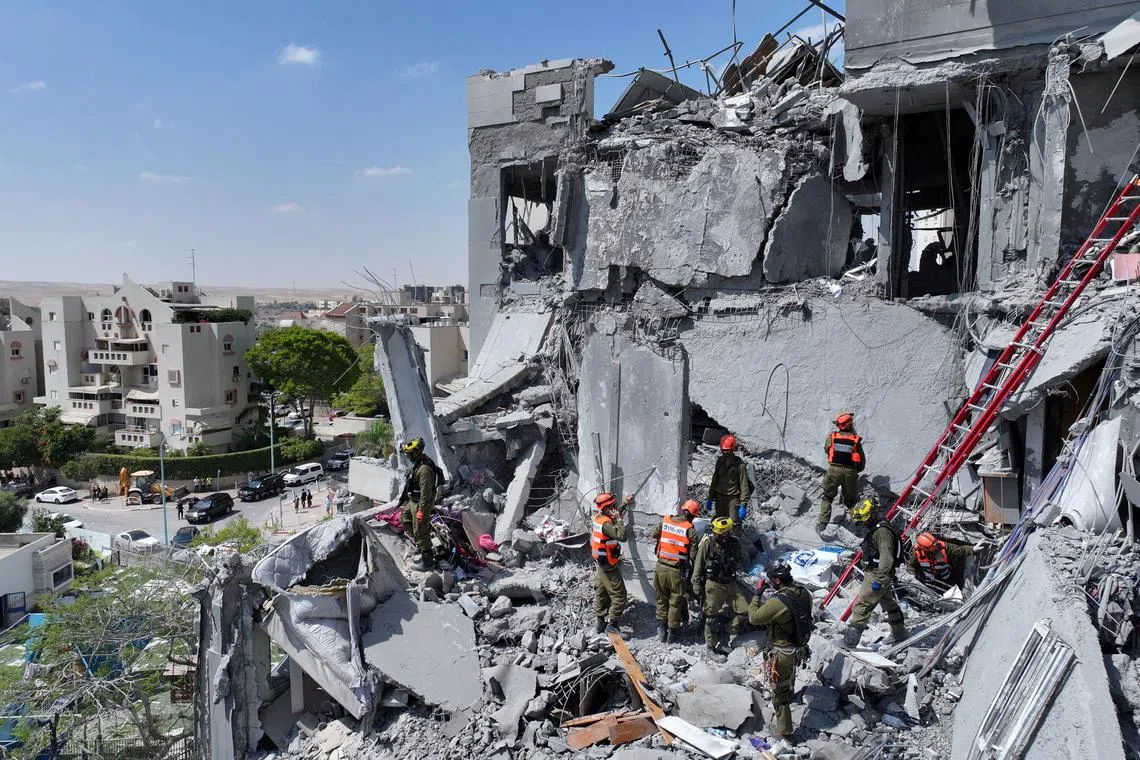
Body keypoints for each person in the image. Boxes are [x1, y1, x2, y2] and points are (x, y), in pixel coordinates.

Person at [748, 561, 814, 743]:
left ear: (777, 579)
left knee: (780, 693)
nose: (769, 581)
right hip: (798, 649)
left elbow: (754, 617)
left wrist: (757, 594)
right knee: (787, 683)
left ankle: (785, 732)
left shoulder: (778, 602)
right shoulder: (804, 593)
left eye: (770, 579)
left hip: (783, 652)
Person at [844, 499, 907, 647]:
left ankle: (849, 643)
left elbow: (886, 558)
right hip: (876, 571)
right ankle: (899, 633)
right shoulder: (878, 529)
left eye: (865, 520)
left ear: (872, 514)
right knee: (888, 603)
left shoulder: (882, 532)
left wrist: (879, 579)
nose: (864, 524)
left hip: (877, 573)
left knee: (863, 603)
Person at [692, 516, 749, 656]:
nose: (718, 534)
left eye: (721, 532)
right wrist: (696, 584)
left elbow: (738, 559)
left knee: (745, 612)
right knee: (711, 618)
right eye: (717, 532)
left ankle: (726, 632)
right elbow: (698, 564)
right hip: (714, 584)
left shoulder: (734, 542)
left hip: (731, 583)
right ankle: (710, 648)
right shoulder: (708, 543)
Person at [651, 499, 700, 642]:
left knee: (661, 598)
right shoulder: (690, 530)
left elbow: (654, 534)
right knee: (675, 601)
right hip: (676, 571)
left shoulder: (666, 521)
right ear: (692, 516)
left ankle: (661, 629)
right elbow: (694, 556)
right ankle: (672, 634)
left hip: (660, 567)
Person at [398, 437, 444, 570]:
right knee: (405, 519)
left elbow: (426, 493)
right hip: (414, 500)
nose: (408, 456)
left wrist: (421, 510)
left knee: (421, 530)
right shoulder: (418, 463)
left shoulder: (424, 469)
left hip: (422, 502)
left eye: (409, 454)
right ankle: (419, 545)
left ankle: (427, 563)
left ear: (416, 452)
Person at [818, 412, 866, 534]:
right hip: (850, 472)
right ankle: (858, 524)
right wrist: (854, 471)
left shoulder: (832, 437)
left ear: (839, 426)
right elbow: (862, 461)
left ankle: (822, 524)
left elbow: (827, 449)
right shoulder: (855, 440)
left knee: (827, 497)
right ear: (850, 425)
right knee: (851, 500)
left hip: (834, 470)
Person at [591, 492, 632, 634]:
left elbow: (614, 514)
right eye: (613, 505)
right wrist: (620, 520)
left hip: (601, 563)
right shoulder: (607, 524)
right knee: (620, 596)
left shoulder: (599, 517)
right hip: (608, 565)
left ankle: (600, 622)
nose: (615, 507)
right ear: (607, 508)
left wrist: (625, 504)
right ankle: (613, 625)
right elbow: (622, 536)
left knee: (602, 592)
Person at [909, 532, 980, 590]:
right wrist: (912, 576)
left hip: (947, 579)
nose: (936, 548)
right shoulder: (917, 552)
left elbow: (959, 550)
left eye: (935, 544)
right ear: (924, 548)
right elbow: (911, 566)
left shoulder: (943, 547)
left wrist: (973, 549)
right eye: (932, 547)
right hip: (928, 582)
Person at [706, 434, 751, 521]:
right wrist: (710, 498)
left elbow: (744, 485)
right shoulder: (720, 462)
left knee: (733, 523)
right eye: (724, 450)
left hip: (733, 499)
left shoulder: (740, 465)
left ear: (733, 449)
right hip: (720, 498)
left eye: (728, 450)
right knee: (719, 523)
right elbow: (715, 480)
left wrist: (743, 505)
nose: (726, 453)